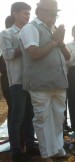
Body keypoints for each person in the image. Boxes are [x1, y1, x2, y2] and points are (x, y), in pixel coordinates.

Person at [19, 0, 70, 161]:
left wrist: (60, 42)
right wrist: (54, 41)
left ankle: (57, 149)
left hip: (58, 83)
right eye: (51, 13)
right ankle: (47, 154)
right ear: (39, 11)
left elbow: (68, 57)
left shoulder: (52, 30)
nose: (54, 17)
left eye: (56, 13)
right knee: (42, 119)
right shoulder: (30, 28)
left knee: (58, 118)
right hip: (40, 84)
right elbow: (34, 53)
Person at [0, 2, 38, 162]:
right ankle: (16, 150)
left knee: (30, 115)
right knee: (17, 117)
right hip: (17, 81)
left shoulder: (31, 31)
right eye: (24, 13)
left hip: (31, 81)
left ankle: (30, 145)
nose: (28, 16)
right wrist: (24, 45)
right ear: (14, 13)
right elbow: (8, 55)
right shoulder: (6, 33)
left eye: (29, 14)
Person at [0, 16, 14, 133]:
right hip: (8, 80)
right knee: (14, 110)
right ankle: (17, 141)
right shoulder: (5, 41)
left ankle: (21, 139)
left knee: (16, 110)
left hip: (10, 79)